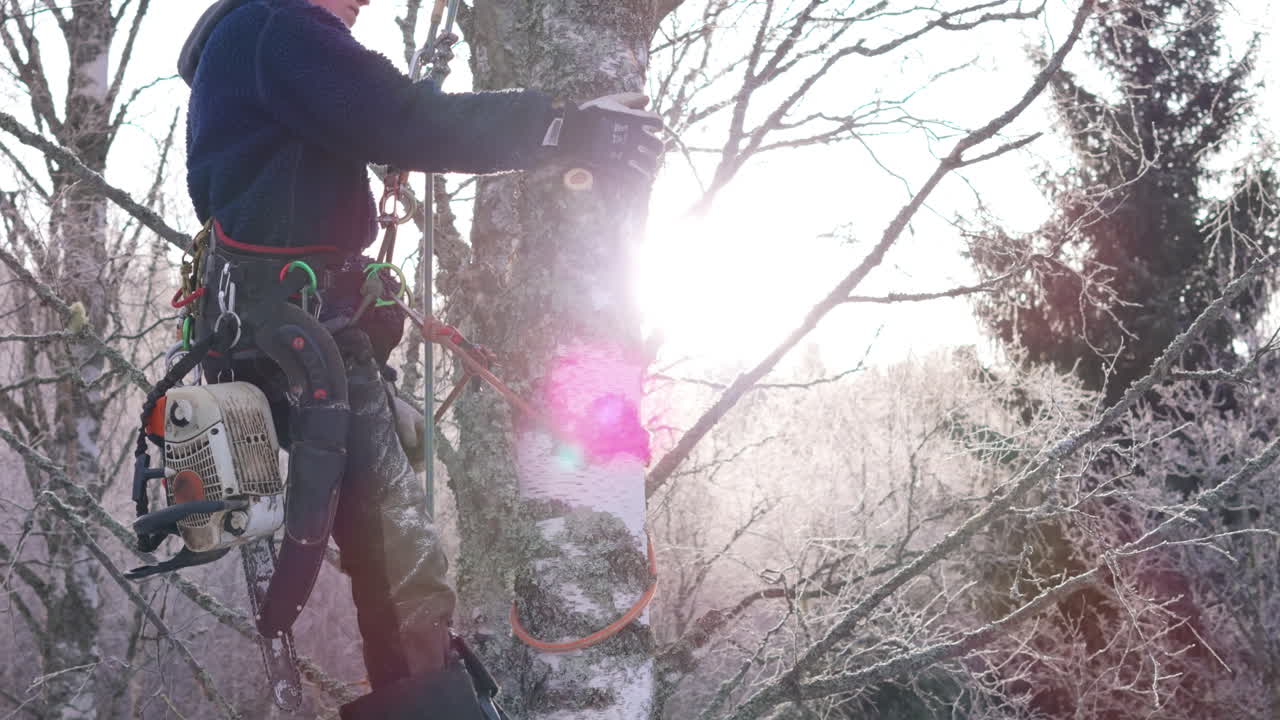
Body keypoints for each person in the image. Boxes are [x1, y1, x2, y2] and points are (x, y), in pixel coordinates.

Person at [177, 0, 663, 717]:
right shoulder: (277, 26)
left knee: (395, 555)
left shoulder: (253, 39)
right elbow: (403, 118)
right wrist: (565, 127)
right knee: (400, 562)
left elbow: (365, 132)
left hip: (272, 332)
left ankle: (434, 692)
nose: (363, 1)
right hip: (298, 338)